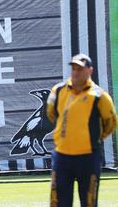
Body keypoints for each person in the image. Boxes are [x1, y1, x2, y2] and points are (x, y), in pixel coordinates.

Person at [47, 54, 117, 207]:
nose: (75, 72)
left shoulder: (100, 96)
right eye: (73, 68)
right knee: (58, 202)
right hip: (62, 156)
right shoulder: (58, 91)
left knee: (89, 202)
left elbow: (111, 122)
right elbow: (51, 114)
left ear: (89, 71)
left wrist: (94, 138)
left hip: (88, 157)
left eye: (80, 69)